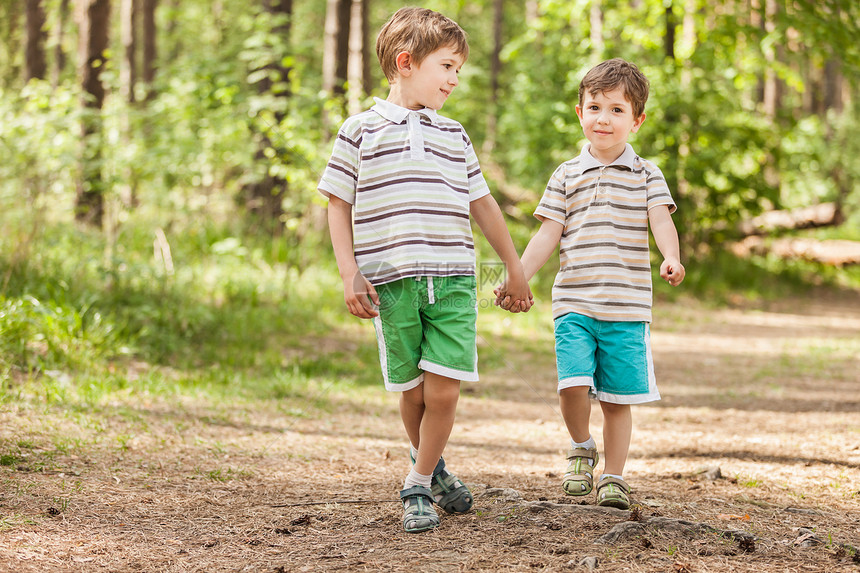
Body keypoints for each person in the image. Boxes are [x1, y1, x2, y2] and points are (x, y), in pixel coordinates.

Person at [318, 7, 532, 533]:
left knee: (444, 390)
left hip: (455, 278)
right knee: (412, 390)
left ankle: (414, 482)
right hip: (392, 281)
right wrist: (349, 271)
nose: (455, 79)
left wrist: (514, 265)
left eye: (459, 69)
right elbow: (336, 203)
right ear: (406, 62)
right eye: (448, 66)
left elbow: (482, 205)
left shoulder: (454, 135)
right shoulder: (359, 130)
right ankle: (432, 467)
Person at [496, 58, 685, 509]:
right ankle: (581, 445)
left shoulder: (646, 174)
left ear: (636, 120)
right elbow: (547, 234)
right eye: (595, 107)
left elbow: (660, 219)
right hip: (574, 301)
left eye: (617, 110)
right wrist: (517, 275)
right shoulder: (565, 174)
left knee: (619, 399)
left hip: (626, 307)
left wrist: (672, 257)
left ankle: (615, 477)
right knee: (572, 386)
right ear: (580, 112)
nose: (604, 118)